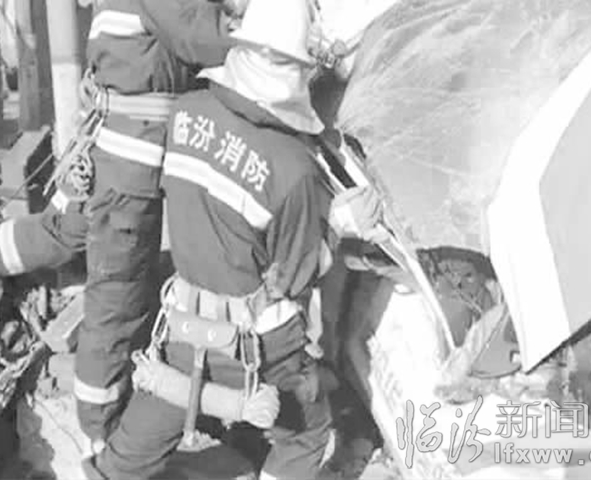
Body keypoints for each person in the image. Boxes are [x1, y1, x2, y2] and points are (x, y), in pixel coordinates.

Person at [80, 0, 386, 479]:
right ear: (298, 70)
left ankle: (113, 466)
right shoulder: (294, 167)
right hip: (258, 349)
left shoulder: (185, 112)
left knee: (133, 447)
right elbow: (294, 279)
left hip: (182, 333)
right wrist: (340, 224)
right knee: (307, 433)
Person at [0, 0, 243, 457]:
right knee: (118, 294)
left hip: (105, 149)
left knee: (59, 231)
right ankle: (100, 435)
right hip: (131, 168)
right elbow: (209, 38)